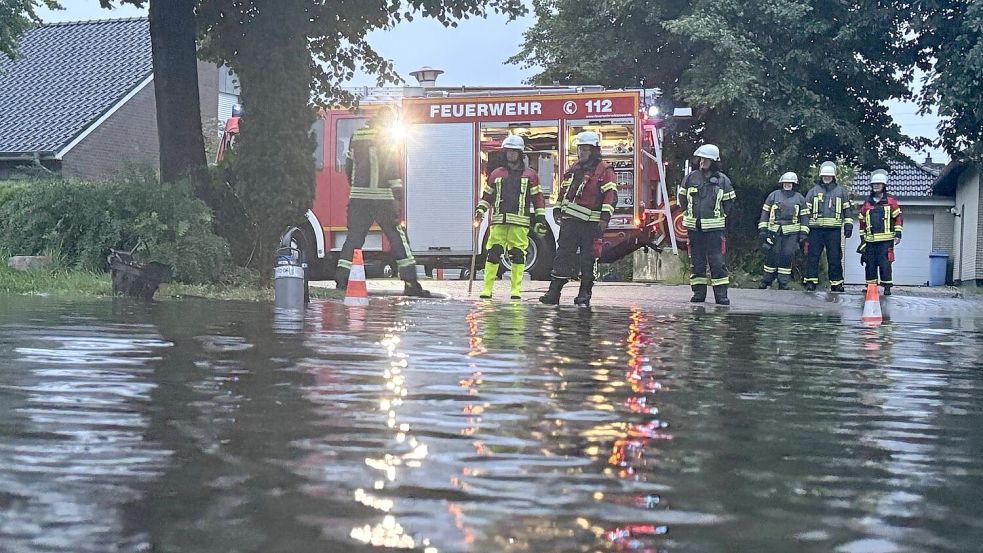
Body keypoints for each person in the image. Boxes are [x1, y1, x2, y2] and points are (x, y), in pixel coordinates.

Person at [334, 106, 431, 297]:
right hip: (383, 198)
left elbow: (349, 166)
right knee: (397, 237)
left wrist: (355, 187)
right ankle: (411, 282)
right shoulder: (387, 137)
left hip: (359, 198)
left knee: (353, 238)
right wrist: (397, 196)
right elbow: (392, 167)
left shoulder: (357, 135)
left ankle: (342, 279)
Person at [539, 130, 617, 307]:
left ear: (594, 150)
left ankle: (584, 294)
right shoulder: (574, 169)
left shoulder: (604, 170)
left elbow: (611, 196)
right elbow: (564, 191)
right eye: (580, 149)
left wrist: (604, 219)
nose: (581, 152)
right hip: (570, 223)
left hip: (590, 225)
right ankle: (554, 292)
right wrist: (557, 209)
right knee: (562, 256)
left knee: (587, 259)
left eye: (585, 149)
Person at [474, 135, 547, 299]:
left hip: (519, 224)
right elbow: (487, 196)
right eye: (508, 151)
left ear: (520, 153)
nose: (510, 155)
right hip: (499, 223)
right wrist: (480, 211)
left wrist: (541, 218)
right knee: (493, 253)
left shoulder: (530, 175)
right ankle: (487, 289)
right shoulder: (496, 174)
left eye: (514, 152)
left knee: (518, 255)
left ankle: (515, 290)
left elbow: (538, 198)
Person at [677, 144, 736, 305]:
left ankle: (721, 295)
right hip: (694, 228)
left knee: (717, 262)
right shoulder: (691, 178)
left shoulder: (723, 181)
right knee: (697, 262)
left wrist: (719, 218)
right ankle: (698, 293)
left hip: (714, 229)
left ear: (714, 161)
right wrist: (689, 215)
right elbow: (682, 200)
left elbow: (729, 204)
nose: (702, 161)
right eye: (701, 159)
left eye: (706, 159)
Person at [802, 160, 855, 292]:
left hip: (833, 231)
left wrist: (848, 225)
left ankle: (836, 283)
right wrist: (804, 229)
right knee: (813, 256)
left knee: (835, 257)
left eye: (829, 176)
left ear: (833, 177)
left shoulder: (841, 192)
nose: (827, 178)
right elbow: (805, 212)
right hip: (815, 230)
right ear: (821, 176)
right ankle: (810, 281)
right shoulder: (813, 192)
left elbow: (847, 210)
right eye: (825, 176)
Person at [758, 172, 809, 289]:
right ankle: (766, 280)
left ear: (794, 184)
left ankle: (783, 282)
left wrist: (803, 233)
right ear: (782, 183)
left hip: (792, 234)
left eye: (790, 183)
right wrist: (763, 229)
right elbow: (765, 213)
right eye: (785, 183)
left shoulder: (799, 198)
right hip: (774, 231)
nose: (787, 185)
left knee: (787, 255)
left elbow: (805, 217)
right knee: (772, 255)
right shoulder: (773, 196)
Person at [858, 169, 902, 296]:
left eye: (879, 184)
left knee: (885, 265)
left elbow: (898, 218)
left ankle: (887, 287)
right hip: (870, 241)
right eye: (874, 184)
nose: (876, 186)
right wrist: (862, 239)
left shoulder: (891, 202)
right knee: (870, 264)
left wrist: (898, 234)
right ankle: (871, 287)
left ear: (884, 186)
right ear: (871, 186)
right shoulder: (867, 203)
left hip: (886, 241)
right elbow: (862, 222)